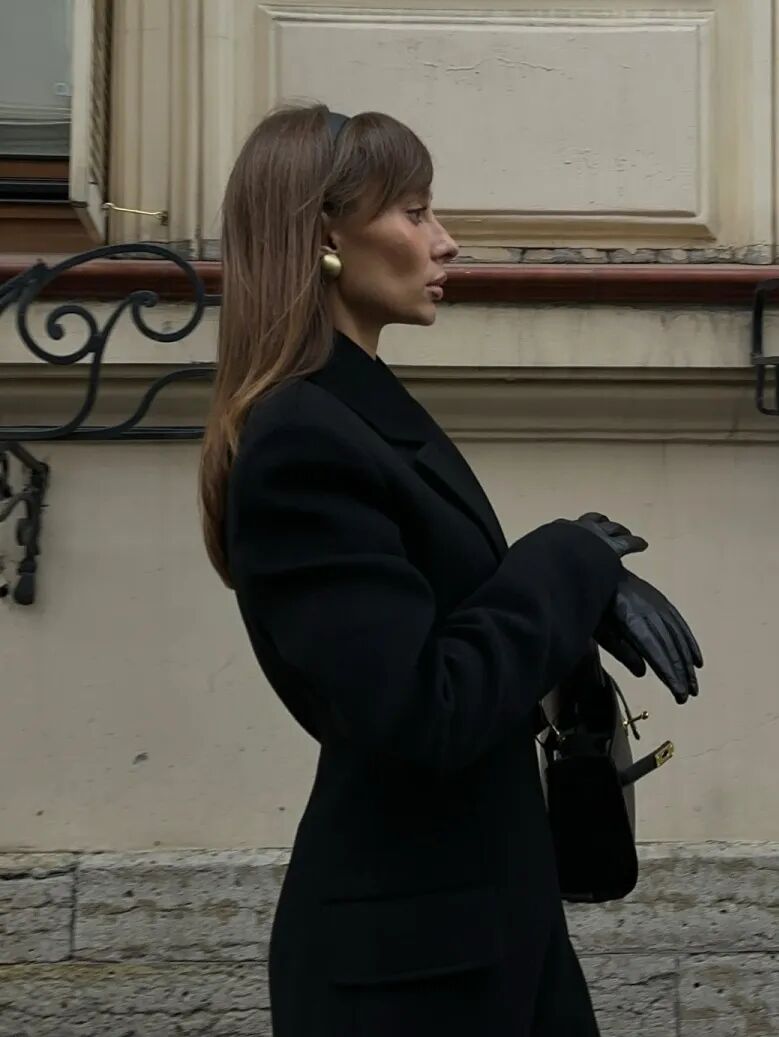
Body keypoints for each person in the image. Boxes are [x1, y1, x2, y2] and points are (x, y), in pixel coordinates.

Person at [199, 103, 702, 1037]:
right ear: (326, 234)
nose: (445, 240)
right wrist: (574, 556)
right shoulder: (303, 442)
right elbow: (420, 708)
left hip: (477, 927)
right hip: (406, 973)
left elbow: (456, 628)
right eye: (415, 211)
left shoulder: (357, 417)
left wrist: (582, 595)